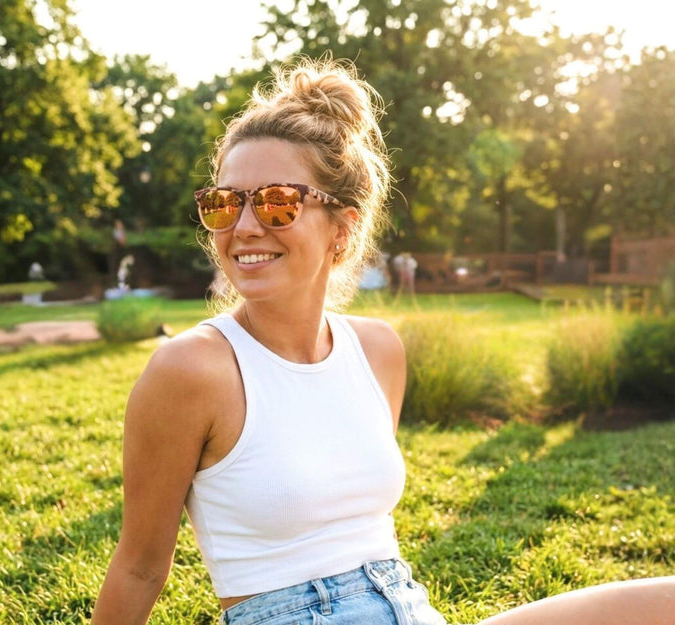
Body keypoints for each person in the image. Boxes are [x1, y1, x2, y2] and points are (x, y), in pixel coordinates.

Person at [90, 58, 675, 625]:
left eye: (276, 202)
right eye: (225, 203)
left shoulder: (377, 351)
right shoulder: (191, 369)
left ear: (342, 228)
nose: (244, 226)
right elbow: (140, 569)